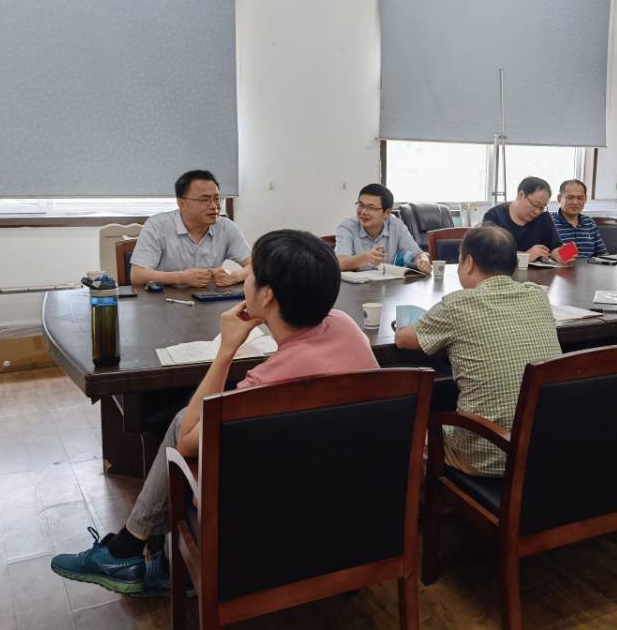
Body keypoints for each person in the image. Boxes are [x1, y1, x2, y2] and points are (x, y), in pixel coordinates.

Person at [51, 230, 379, 596]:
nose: (245, 278)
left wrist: (226, 351)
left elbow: (187, 443)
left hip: (275, 522)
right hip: (354, 507)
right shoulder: (347, 327)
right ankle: (135, 548)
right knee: (189, 421)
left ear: (267, 295)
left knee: (183, 424)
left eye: (252, 273)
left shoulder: (266, 385)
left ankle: (135, 552)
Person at [394, 224, 561, 476]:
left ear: (468, 263)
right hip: (543, 448)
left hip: (486, 455)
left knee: (408, 434)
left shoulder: (459, 303)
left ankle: (424, 499)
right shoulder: (537, 295)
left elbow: (403, 340)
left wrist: (405, 325)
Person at [130, 170, 252, 288]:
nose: (214, 206)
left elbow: (256, 267)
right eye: (204, 200)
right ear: (181, 203)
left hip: (209, 297)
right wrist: (180, 278)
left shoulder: (226, 227)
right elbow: (137, 275)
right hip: (165, 299)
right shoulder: (157, 226)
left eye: (216, 198)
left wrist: (234, 276)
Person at [335, 183, 431, 273]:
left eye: (371, 208)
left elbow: (417, 253)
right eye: (361, 205)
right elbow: (339, 263)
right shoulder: (347, 227)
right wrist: (365, 258)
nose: (363, 212)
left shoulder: (396, 225)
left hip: (386, 283)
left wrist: (423, 260)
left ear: (387, 213)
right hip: (355, 284)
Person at [483, 176, 566, 262]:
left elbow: (555, 247)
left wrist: (566, 254)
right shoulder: (495, 216)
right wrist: (525, 256)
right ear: (521, 195)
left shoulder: (544, 217)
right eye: (535, 205)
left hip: (537, 270)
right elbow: (487, 253)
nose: (537, 211)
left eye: (542, 207)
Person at [551, 179, 608, 257]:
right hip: (560, 265)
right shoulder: (549, 222)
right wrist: (563, 254)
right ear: (559, 198)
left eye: (580, 198)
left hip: (589, 265)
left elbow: (602, 254)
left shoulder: (589, 222)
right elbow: (542, 256)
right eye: (570, 198)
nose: (575, 202)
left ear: (585, 199)